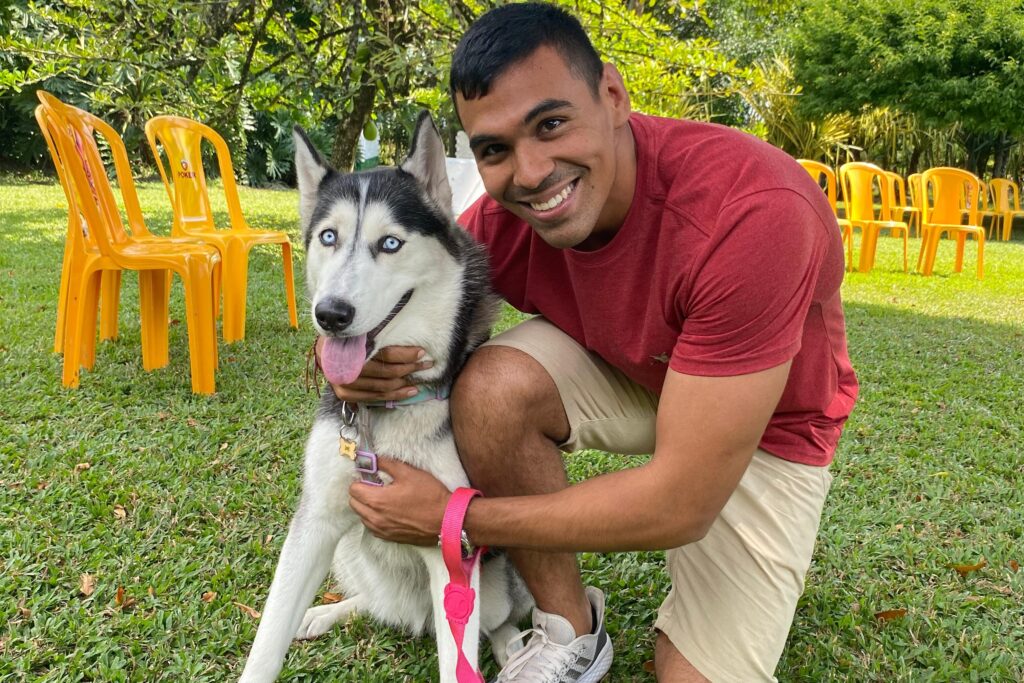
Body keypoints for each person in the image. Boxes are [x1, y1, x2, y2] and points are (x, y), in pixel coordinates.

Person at [336, 3, 858, 681]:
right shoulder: (501, 218)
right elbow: (382, 298)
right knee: (492, 387)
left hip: (768, 426)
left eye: (551, 124)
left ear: (612, 96)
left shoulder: (753, 213)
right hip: (635, 373)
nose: (529, 172)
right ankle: (568, 631)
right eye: (494, 149)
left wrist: (455, 516)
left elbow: (679, 503)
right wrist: (348, 365)